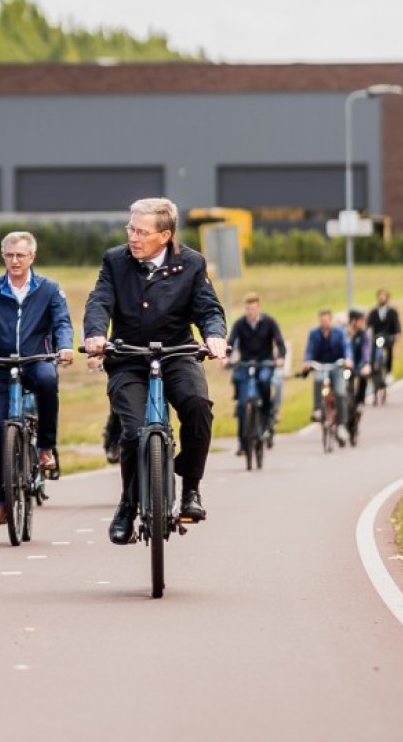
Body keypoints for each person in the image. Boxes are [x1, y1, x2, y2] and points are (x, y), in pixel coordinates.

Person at [83, 198, 227, 545]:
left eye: (141, 231)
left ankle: (190, 488)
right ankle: (127, 506)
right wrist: (96, 334)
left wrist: (215, 336)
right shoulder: (115, 261)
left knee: (197, 406)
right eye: (130, 229)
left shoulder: (191, 264)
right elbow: (99, 299)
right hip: (129, 357)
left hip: (177, 353)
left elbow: (208, 308)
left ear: (165, 235)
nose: (133, 237)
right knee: (132, 433)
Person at [0, 231, 75, 525]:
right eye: (9, 255)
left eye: (20, 255)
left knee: (48, 381)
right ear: (3, 256)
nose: (15, 260)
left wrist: (64, 347)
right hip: (1, 363)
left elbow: (62, 322)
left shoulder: (48, 288)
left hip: (37, 359)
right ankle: (0, 501)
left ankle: (46, 448)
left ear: (32, 257)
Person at [227, 292, 286, 453]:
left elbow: (280, 343)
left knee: (265, 381)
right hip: (245, 363)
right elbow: (230, 344)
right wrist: (225, 358)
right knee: (241, 402)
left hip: (264, 362)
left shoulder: (269, 322)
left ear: (258, 308)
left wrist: (280, 357)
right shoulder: (240, 324)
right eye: (247, 309)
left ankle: (267, 420)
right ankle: (242, 442)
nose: (250, 312)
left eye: (252, 309)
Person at [302, 309, 353, 445]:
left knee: (340, 392)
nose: (324, 323)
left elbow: (346, 348)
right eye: (322, 320)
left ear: (330, 321)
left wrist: (347, 360)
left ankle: (341, 425)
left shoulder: (339, 333)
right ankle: (318, 409)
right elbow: (309, 350)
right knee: (318, 380)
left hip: (336, 365)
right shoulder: (314, 334)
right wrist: (307, 362)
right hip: (321, 365)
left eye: (326, 320)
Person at [367, 288, 401, 385]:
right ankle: (372, 370)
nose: (382, 298)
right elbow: (369, 325)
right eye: (380, 296)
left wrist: (397, 333)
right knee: (372, 351)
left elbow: (396, 323)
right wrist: (368, 332)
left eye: (383, 296)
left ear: (387, 298)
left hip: (388, 337)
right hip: (377, 337)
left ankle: (389, 372)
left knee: (389, 350)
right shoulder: (374, 312)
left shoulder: (392, 312)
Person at [347, 308, 372, 410]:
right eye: (361, 320)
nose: (363, 323)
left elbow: (366, 350)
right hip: (344, 365)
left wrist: (366, 364)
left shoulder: (363, 335)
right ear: (353, 321)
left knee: (363, 376)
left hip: (358, 364)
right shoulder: (344, 334)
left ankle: (360, 401)